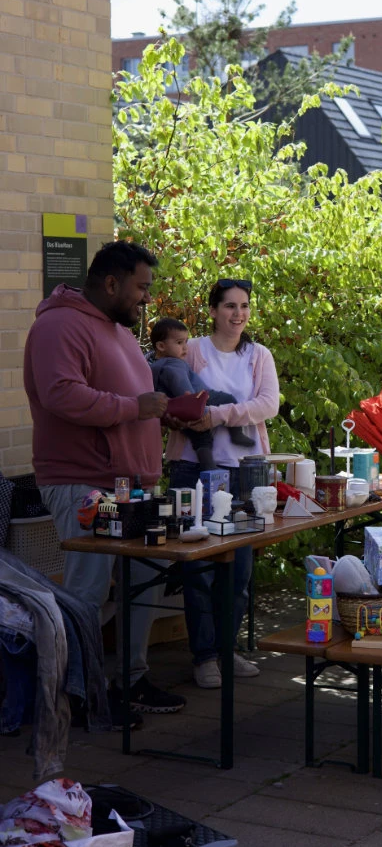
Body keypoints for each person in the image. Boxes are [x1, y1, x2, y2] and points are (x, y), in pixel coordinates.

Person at [23, 241, 187, 725]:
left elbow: (125, 397)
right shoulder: (58, 324)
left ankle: (130, 680)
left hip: (128, 486)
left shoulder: (112, 328)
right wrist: (136, 408)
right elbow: (61, 394)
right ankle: (79, 697)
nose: (145, 299)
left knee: (142, 580)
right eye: (141, 288)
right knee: (87, 592)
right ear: (111, 282)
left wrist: (164, 414)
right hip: (86, 483)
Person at [165, 278, 280, 688]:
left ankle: (227, 650)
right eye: (229, 306)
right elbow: (169, 393)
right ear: (213, 310)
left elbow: (269, 404)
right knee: (199, 571)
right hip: (192, 468)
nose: (238, 314)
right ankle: (205, 657)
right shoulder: (192, 349)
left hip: (243, 472)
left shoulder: (259, 354)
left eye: (245, 306)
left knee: (239, 571)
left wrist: (217, 414)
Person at [148, 317, 256, 471]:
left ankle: (223, 448)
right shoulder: (173, 365)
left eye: (186, 342)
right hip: (196, 400)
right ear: (161, 346)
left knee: (200, 436)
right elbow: (183, 390)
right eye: (179, 343)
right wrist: (198, 409)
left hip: (180, 407)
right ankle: (212, 463)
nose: (185, 348)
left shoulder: (153, 366)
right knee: (204, 430)